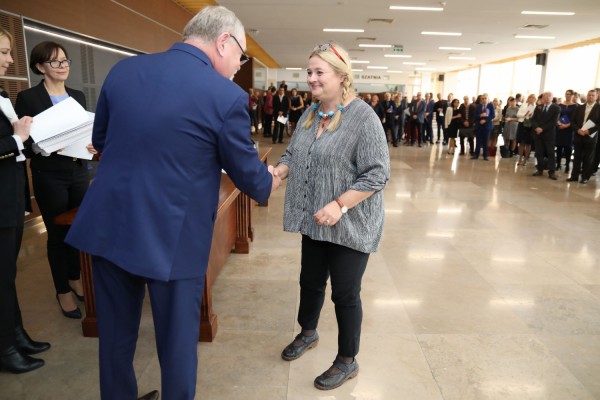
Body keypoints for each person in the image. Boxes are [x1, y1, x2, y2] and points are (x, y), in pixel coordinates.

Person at [64, 6, 278, 400]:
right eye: (241, 55)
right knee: (177, 347)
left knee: (114, 340)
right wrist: (272, 178)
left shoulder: (124, 72)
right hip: (173, 236)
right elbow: (250, 178)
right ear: (222, 42)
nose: (237, 65)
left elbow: (103, 140)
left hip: (110, 226)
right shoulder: (226, 96)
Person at [273, 42, 390, 391]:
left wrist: (340, 204)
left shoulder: (364, 118)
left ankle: (347, 359)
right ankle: (307, 332)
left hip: (351, 224)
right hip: (316, 220)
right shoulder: (310, 114)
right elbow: (294, 153)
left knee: (345, 293)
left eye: (319, 72)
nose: (311, 78)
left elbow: (377, 174)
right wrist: (278, 172)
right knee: (309, 281)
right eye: (308, 72)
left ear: (342, 77)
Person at [15, 41, 96, 319]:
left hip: (78, 171)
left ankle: (76, 278)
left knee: (79, 229)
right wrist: (43, 146)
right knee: (57, 234)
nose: (63, 67)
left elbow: (85, 130)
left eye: (65, 61)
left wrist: (91, 145)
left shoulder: (77, 96)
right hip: (49, 174)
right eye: (55, 62)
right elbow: (23, 144)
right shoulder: (28, 98)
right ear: (40, 67)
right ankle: (62, 289)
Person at [0, 28, 51, 374]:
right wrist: (17, 138)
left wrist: (27, 139)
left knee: (8, 273)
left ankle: (15, 334)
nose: (10, 59)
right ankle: (5, 348)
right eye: (3, 52)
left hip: (10, 195)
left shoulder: (3, 93)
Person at [568, 89, 599, 184]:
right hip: (579, 135)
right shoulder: (579, 108)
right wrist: (578, 130)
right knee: (577, 157)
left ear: (596, 97)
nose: (590, 97)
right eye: (589, 95)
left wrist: (588, 131)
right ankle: (574, 176)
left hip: (590, 136)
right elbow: (572, 122)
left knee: (588, 158)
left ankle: (585, 177)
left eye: (592, 95)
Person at [531, 92, 560, 180]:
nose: (547, 98)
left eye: (549, 96)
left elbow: (553, 122)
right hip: (538, 134)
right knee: (539, 152)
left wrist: (542, 128)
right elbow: (533, 119)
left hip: (549, 134)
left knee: (550, 153)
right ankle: (539, 169)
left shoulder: (556, 108)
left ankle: (552, 172)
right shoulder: (539, 106)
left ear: (552, 98)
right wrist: (536, 128)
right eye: (545, 97)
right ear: (542, 98)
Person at [556, 89, 578, 173]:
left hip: (569, 129)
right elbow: (557, 116)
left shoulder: (576, 106)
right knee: (559, 147)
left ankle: (567, 165)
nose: (567, 95)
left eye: (569, 94)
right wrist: (559, 123)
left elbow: (575, 119)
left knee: (568, 148)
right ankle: (558, 164)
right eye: (566, 94)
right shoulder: (560, 105)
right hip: (560, 128)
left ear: (573, 95)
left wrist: (567, 125)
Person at [472, 93, 495, 160]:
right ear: (480, 99)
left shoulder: (490, 105)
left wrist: (485, 120)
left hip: (487, 126)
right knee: (478, 141)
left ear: (488, 99)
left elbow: (492, 115)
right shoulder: (478, 106)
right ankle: (476, 154)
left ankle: (485, 155)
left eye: (485, 98)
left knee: (486, 140)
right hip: (479, 125)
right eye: (482, 98)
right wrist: (480, 116)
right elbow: (475, 116)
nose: (484, 100)